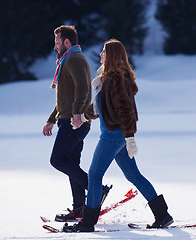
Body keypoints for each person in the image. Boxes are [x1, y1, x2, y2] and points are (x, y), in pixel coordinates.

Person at [69, 39, 174, 232]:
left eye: (104, 52)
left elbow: (126, 111)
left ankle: (87, 223)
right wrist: (84, 117)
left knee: (94, 175)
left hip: (112, 136)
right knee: (133, 175)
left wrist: (130, 137)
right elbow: (102, 107)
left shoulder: (117, 79)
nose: (100, 54)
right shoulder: (108, 79)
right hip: (117, 136)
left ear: (112, 56)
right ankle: (163, 215)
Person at [42, 25, 93, 222]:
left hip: (74, 121)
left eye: (57, 42)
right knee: (71, 163)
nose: (54, 47)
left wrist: (78, 113)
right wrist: (51, 119)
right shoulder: (67, 60)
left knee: (58, 160)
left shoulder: (75, 59)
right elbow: (64, 98)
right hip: (68, 119)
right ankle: (79, 208)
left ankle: (96, 189)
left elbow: (83, 88)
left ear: (66, 42)